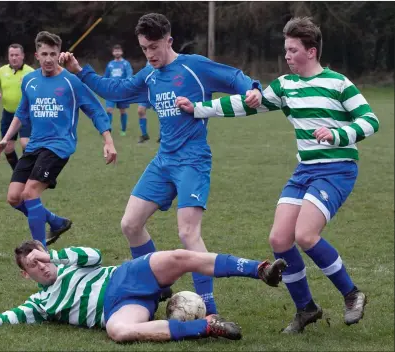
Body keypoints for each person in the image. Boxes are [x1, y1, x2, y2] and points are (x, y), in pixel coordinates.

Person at [176, 17, 379, 334]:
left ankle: (352, 294)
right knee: (279, 239)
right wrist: (199, 108)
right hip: (305, 170)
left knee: (306, 235)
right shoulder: (285, 85)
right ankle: (306, 309)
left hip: (337, 168)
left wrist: (338, 135)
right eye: (285, 49)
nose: (286, 55)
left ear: (310, 52)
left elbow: (370, 120)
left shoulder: (338, 83)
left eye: (292, 49)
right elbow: (246, 105)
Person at [59, 13, 263, 315]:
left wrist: (252, 87)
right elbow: (115, 91)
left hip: (192, 161)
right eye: (144, 48)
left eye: (154, 47)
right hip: (163, 162)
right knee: (130, 224)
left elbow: (232, 77)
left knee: (188, 234)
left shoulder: (193, 67)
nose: (150, 54)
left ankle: (210, 307)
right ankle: (157, 283)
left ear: (169, 41)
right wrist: (79, 71)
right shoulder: (149, 76)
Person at [0, 239, 287, 342]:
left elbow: (94, 254)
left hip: (125, 277)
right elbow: (12, 316)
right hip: (119, 307)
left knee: (179, 257)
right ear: (25, 275)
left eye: (41, 258)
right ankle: (208, 326)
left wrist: (55, 255)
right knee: (118, 331)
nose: (42, 266)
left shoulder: (70, 261)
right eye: (33, 266)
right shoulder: (41, 302)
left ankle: (260, 269)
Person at [0, 31, 117, 247]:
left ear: (59, 53)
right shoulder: (29, 80)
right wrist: (6, 138)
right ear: (37, 55)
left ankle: (39, 252)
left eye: (53, 53)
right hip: (35, 145)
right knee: (14, 197)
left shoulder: (71, 82)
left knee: (30, 192)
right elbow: (22, 113)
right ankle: (55, 221)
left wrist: (108, 140)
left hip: (59, 146)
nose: (49, 58)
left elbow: (95, 110)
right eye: (44, 54)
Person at [0, 44, 34, 170]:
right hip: (8, 114)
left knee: (26, 143)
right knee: (7, 148)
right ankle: (18, 172)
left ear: (23, 56)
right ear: (8, 57)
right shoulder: (2, 71)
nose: (14, 58)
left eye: (17, 55)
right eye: (11, 55)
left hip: (26, 114)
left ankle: (28, 171)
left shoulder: (30, 73)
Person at [104, 44, 133, 136]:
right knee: (109, 110)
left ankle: (123, 130)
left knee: (123, 110)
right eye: (115, 51)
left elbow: (129, 75)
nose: (117, 52)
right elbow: (106, 76)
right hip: (111, 90)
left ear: (122, 52)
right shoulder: (110, 64)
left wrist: (126, 84)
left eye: (118, 51)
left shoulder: (125, 64)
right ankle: (107, 130)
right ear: (113, 53)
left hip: (122, 90)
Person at [137, 61, 154, 143]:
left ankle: (162, 136)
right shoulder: (148, 62)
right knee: (140, 110)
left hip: (157, 91)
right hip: (146, 92)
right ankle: (144, 135)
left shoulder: (163, 59)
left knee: (162, 113)